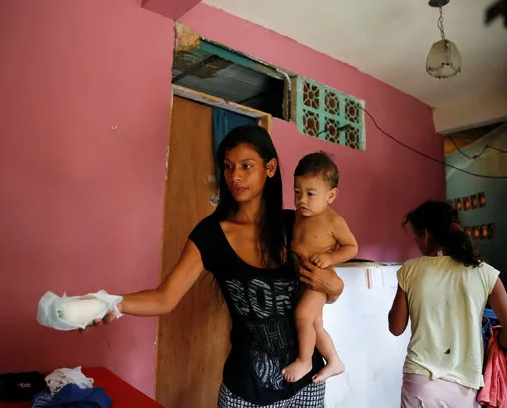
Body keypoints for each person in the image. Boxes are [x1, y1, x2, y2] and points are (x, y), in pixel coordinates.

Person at [87, 125, 345, 407]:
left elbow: (324, 285)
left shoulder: (295, 224)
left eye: (247, 166)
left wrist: (336, 287)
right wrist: (115, 303)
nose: (235, 176)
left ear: (270, 168)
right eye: (228, 166)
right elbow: (164, 298)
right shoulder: (210, 235)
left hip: (307, 384)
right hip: (246, 391)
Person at [388, 200, 507, 408]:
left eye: (415, 236)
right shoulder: (485, 273)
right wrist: (495, 341)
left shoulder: (410, 270)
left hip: (420, 380)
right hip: (466, 386)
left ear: (425, 235)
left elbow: (396, 328)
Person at [281, 152, 358, 384]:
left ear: (331, 195)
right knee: (315, 323)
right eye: (297, 192)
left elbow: (351, 247)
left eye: (310, 194)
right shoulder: (297, 216)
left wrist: (330, 257)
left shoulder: (334, 221)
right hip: (301, 278)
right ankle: (334, 360)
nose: (301, 199)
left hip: (319, 279)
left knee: (303, 315)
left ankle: (305, 361)